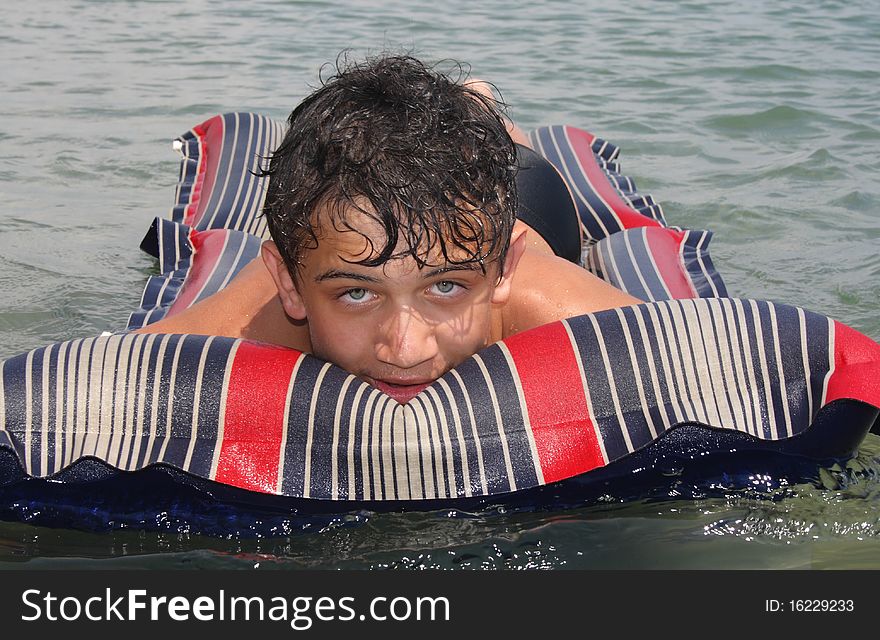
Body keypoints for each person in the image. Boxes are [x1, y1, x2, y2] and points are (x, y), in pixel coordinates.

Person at [135, 54, 640, 403]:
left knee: (502, 146)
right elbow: (122, 371)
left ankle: (481, 109)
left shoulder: (545, 303)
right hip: (381, 226)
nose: (405, 349)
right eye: (357, 293)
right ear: (288, 284)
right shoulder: (266, 312)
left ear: (503, 271)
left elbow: (699, 355)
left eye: (445, 287)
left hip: (526, 198)